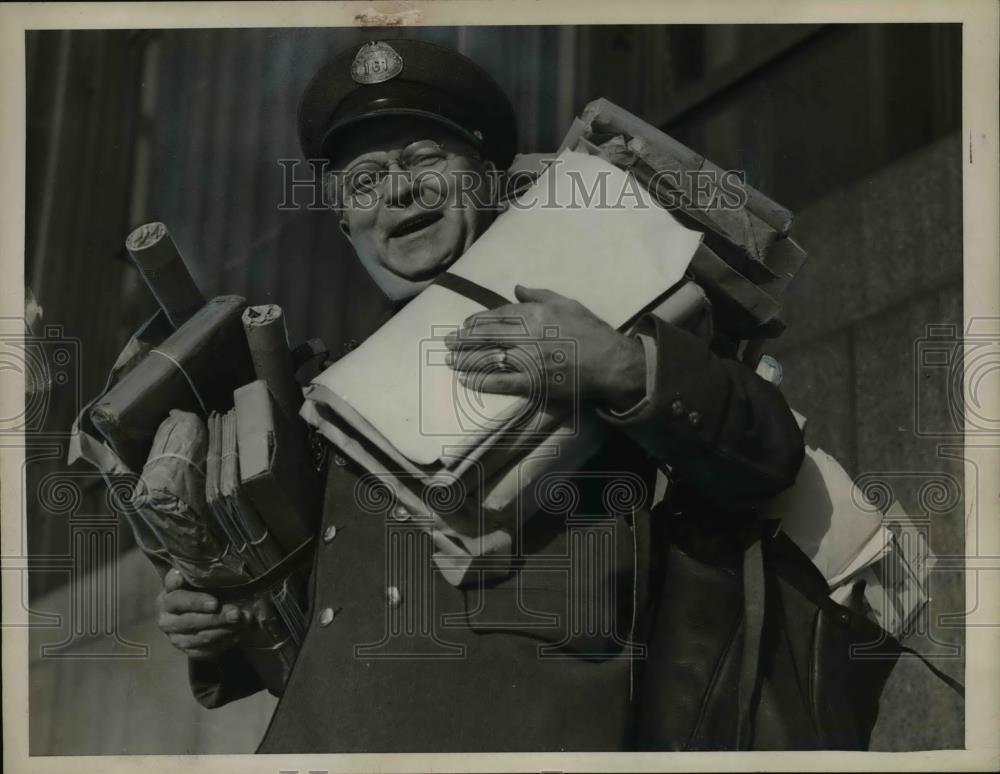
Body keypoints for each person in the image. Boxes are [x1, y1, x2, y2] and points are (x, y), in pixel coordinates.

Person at [154, 38, 805, 752]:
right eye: (364, 181)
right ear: (348, 224)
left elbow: (768, 454)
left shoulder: (603, 305)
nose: (397, 192)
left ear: (490, 182)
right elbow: (319, 621)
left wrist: (620, 365)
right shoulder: (320, 398)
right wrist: (228, 622)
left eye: (425, 160)